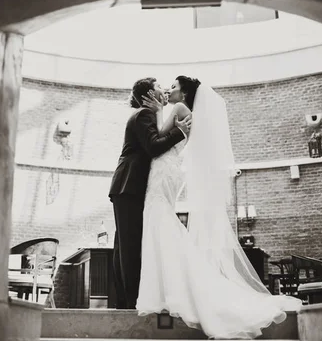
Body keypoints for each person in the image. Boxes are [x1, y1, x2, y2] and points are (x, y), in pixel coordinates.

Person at [136, 75, 302, 339]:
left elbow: (156, 139)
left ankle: (166, 294)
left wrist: (157, 111)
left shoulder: (178, 109)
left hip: (162, 169)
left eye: (174, 87)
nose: (169, 90)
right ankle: (171, 291)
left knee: (159, 221)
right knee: (164, 224)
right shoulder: (192, 114)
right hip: (171, 170)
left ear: (185, 93)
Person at [109, 77, 192, 309]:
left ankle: (125, 302)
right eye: (158, 87)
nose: (164, 89)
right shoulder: (143, 114)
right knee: (130, 246)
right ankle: (131, 301)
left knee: (124, 245)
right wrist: (180, 132)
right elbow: (154, 146)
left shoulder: (149, 114)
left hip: (128, 186)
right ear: (148, 95)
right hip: (130, 185)